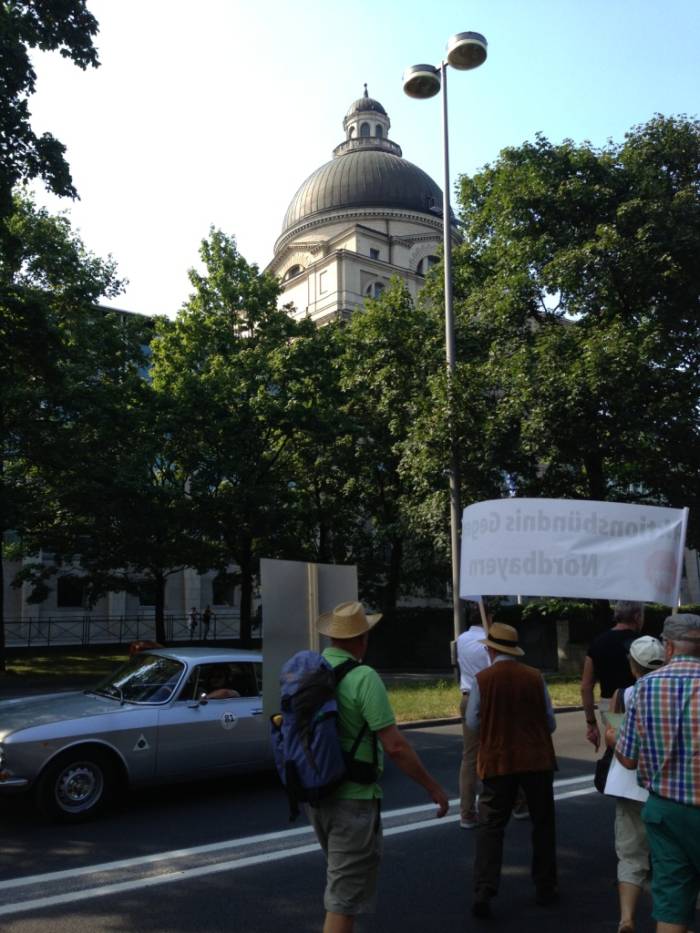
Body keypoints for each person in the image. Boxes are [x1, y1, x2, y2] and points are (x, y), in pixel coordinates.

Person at [308, 600, 449, 933]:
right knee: (342, 900)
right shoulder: (363, 676)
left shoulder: (312, 670)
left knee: (341, 882)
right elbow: (396, 746)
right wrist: (433, 787)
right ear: (363, 638)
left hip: (315, 794)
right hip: (353, 799)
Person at [615, 614, 700, 933]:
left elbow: (627, 759)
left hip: (665, 812)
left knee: (671, 904)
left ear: (669, 647)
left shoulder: (645, 687)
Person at [466, 622, 558, 918]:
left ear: (491, 650)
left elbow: (473, 722)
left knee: (491, 827)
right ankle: (545, 885)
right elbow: (550, 721)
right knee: (542, 824)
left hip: (497, 761)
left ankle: (484, 889)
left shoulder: (483, 679)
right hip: (536, 760)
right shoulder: (534, 677)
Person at [603, 635, 665, 933]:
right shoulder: (673, 691)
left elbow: (613, 732)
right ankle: (670, 917)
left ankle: (626, 917)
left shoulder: (624, 694)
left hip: (630, 784)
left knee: (630, 853)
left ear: (633, 665)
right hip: (666, 785)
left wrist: (612, 739)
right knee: (669, 855)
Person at [582, 601, 645, 751]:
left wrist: (591, 723)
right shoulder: (643, 644)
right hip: (638, 702)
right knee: (638, 749)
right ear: (637, 616)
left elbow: (586, 686)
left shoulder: (598, 642)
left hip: (609, 704)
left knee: (617, 745)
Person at [456, 602, 491, 828]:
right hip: (488, 697)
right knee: (502, 748)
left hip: (467, 697)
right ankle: (516, 803)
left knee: (469, 757)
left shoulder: (461, 639)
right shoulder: (488, 642)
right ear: (489, 617)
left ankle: (466, 812)